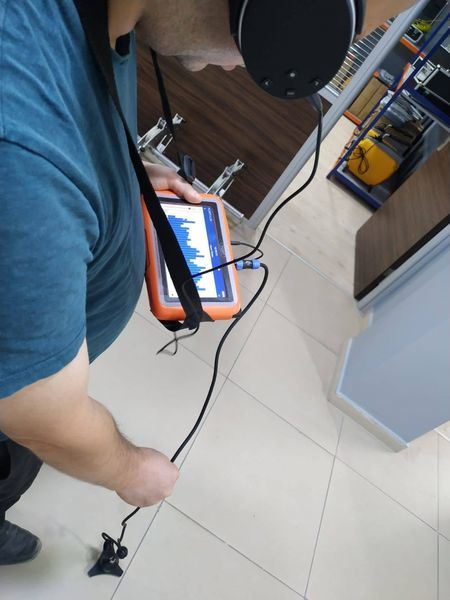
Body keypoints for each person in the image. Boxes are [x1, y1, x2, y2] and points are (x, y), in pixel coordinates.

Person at [0, 0, 416, 566]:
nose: (241, 65)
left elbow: (69, 134)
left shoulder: (105, 19)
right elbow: (37, 414)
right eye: (264, 43)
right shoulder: (19, 150)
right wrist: (128, 469)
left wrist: (119, 174)